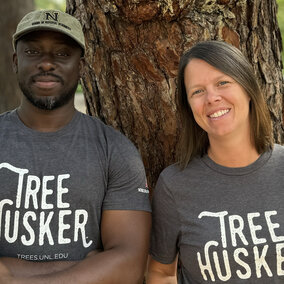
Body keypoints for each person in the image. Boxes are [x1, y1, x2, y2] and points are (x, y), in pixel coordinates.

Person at [0, 9, 151, 283]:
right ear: (15, 61)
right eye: (33, 52)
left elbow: (130, 264)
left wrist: (11, 275)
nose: (46, 63)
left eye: (62, 54)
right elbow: (114, 266)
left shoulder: (115, 151)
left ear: (81, 66)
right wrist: (85, 267)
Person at [147, 40, 284, 283]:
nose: (212, 98)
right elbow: (161, 273)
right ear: (189, 106)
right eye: (197, 91)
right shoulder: (174, 186)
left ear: (248, 89)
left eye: (223, 83)